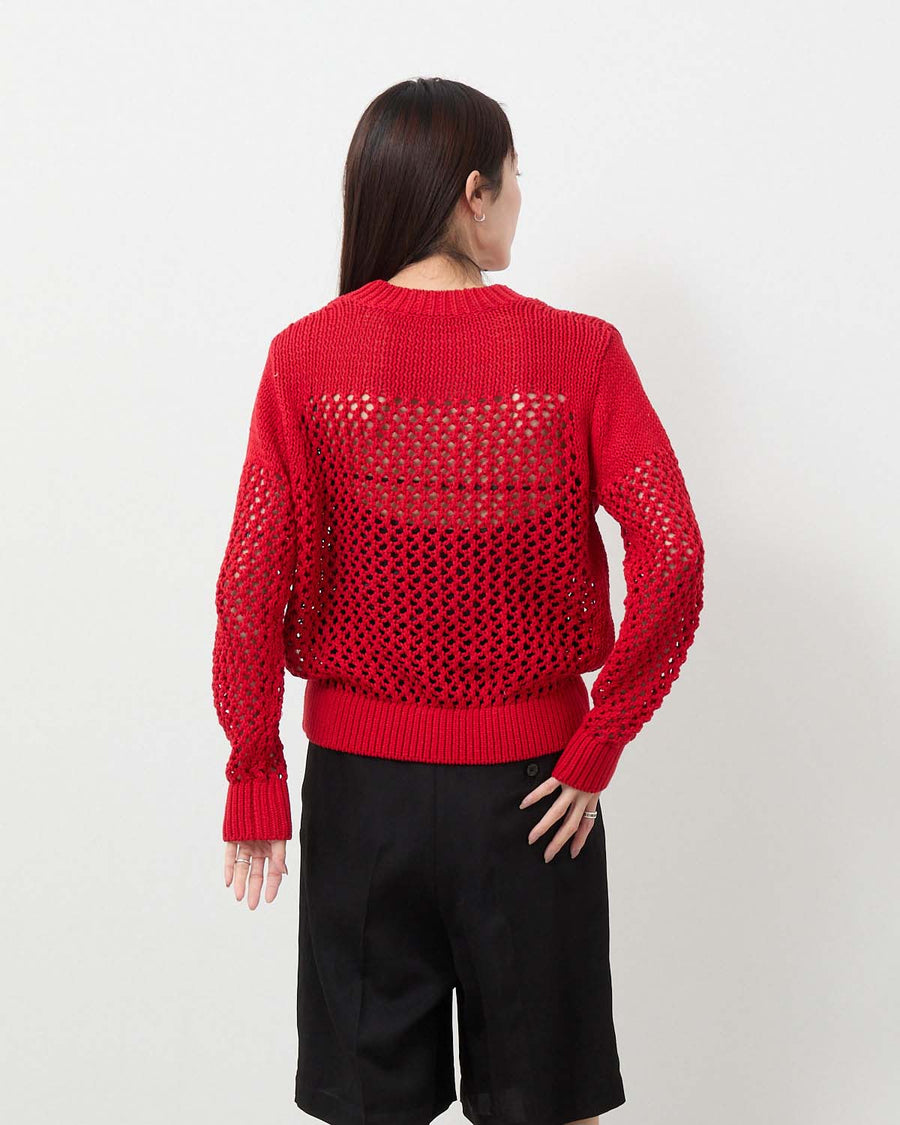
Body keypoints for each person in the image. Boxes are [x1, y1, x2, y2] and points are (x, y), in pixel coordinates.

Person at [211, 76, 705, 1125]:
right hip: (535, 802)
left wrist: (256, 769)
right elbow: (673, 552)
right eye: (515, 175)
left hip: (359, 801)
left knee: (367, 1108)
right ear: (473, 192)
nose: (522, 196)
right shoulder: (580, 353)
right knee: (547, 1106)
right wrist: (598, 740)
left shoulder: (305, 359)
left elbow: (250, 582)